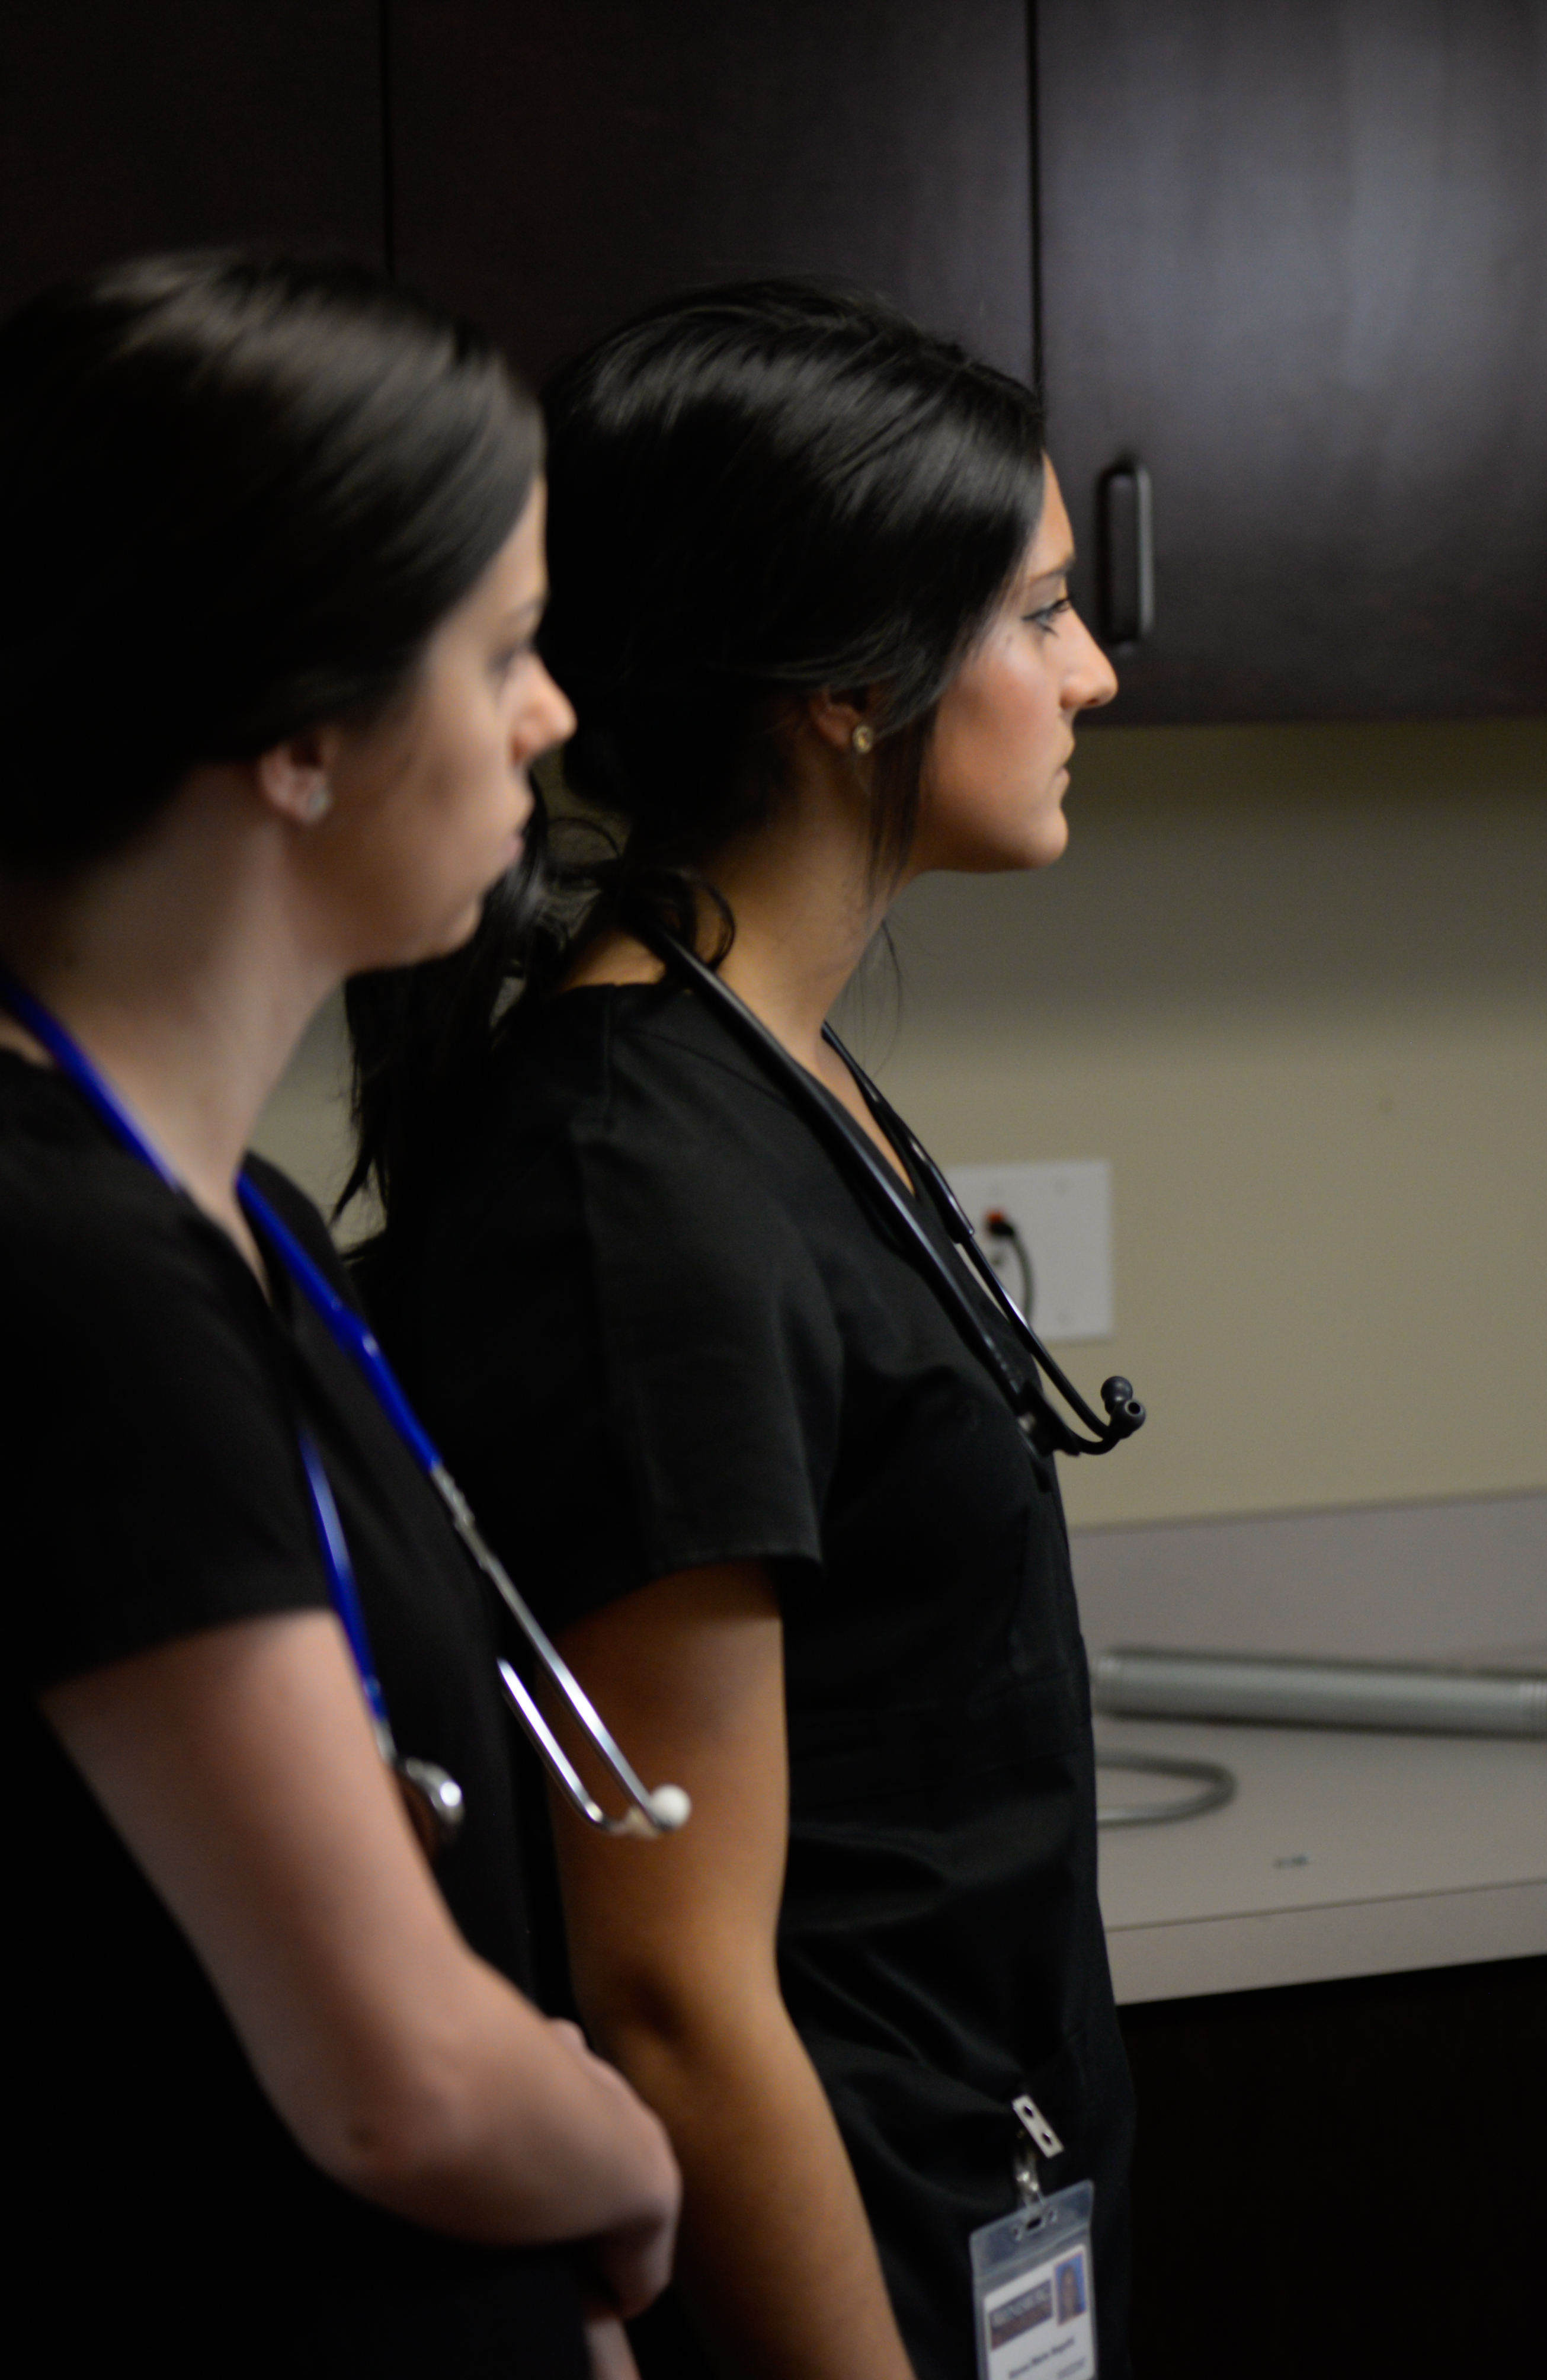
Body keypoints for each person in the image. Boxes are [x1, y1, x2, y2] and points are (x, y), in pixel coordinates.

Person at [347, 281, 1129, 2378]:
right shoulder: (638, 1185)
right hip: (827, 2262)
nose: (1097, 672)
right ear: (851, 689)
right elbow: (673, 1992)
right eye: (1040, 615)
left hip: (970, 2180)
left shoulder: (771, 1073)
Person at [0, 252, 679, 2376]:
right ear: (302, 734)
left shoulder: (240, 1214)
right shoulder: (70, 1274)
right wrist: (629, 2162)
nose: (554, 719)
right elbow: (401, 2080)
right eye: (505, 652)